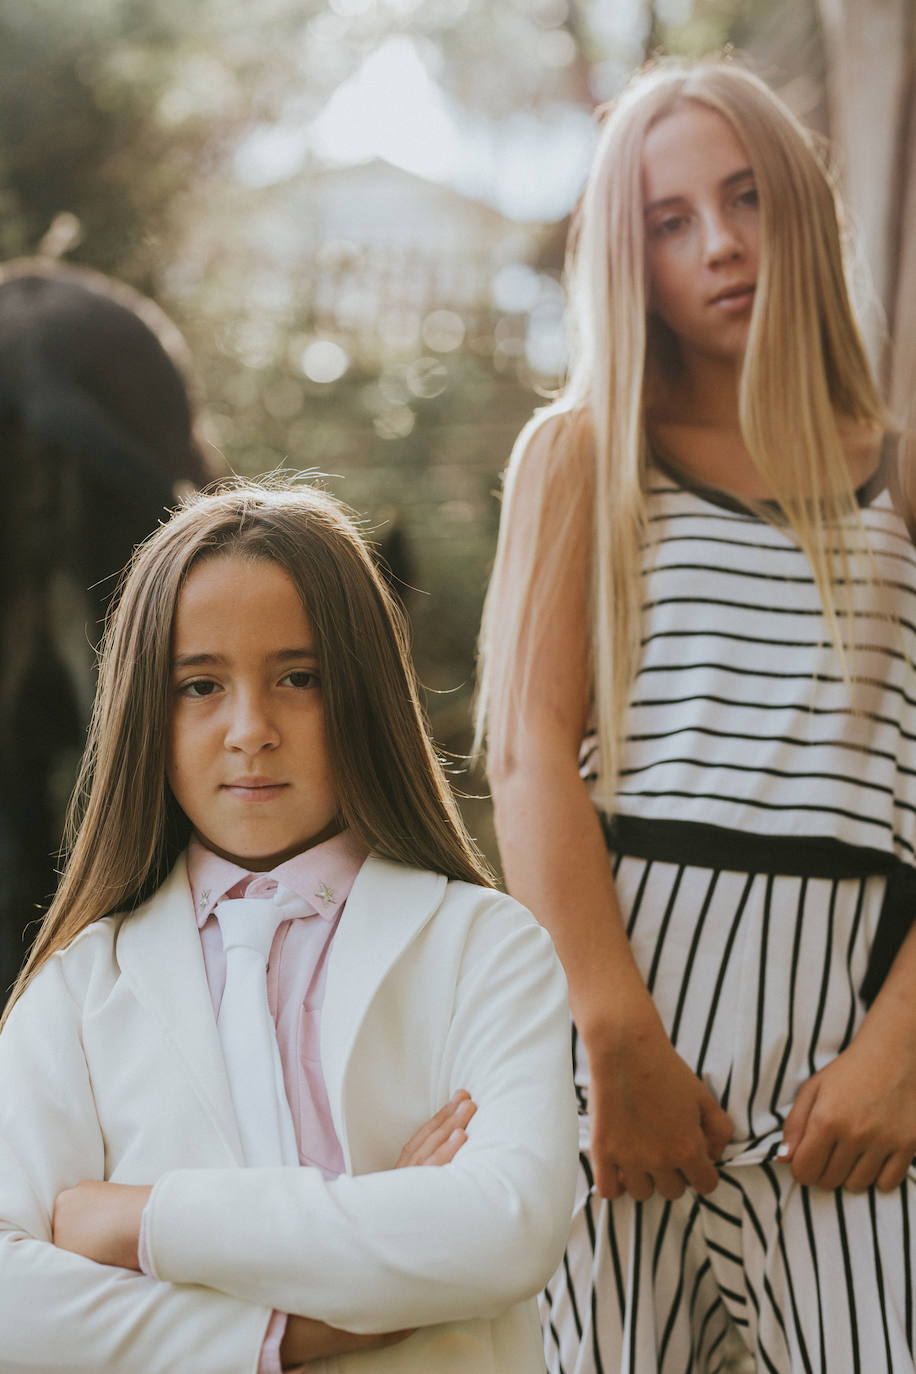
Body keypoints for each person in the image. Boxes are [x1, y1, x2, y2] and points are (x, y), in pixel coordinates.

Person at [477, 55, 916, 1374]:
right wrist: (615, 1042)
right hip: (617, 1071)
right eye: (670, 221)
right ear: (631, 256)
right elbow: (525, 755)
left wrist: (903, 1048)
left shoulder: (901, 474)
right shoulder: (584, 454)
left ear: (801, 207)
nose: (720, 244)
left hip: (853, 1081)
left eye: (745, 199)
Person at [0, 477, 578, 1374]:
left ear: (365, 693)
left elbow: (506, 1228)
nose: (251, 729)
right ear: (142, 715)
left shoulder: (484, 946)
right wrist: (307, 1325)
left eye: (298, 678)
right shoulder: (76, 993)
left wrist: (140, 1220)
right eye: (199, 685)